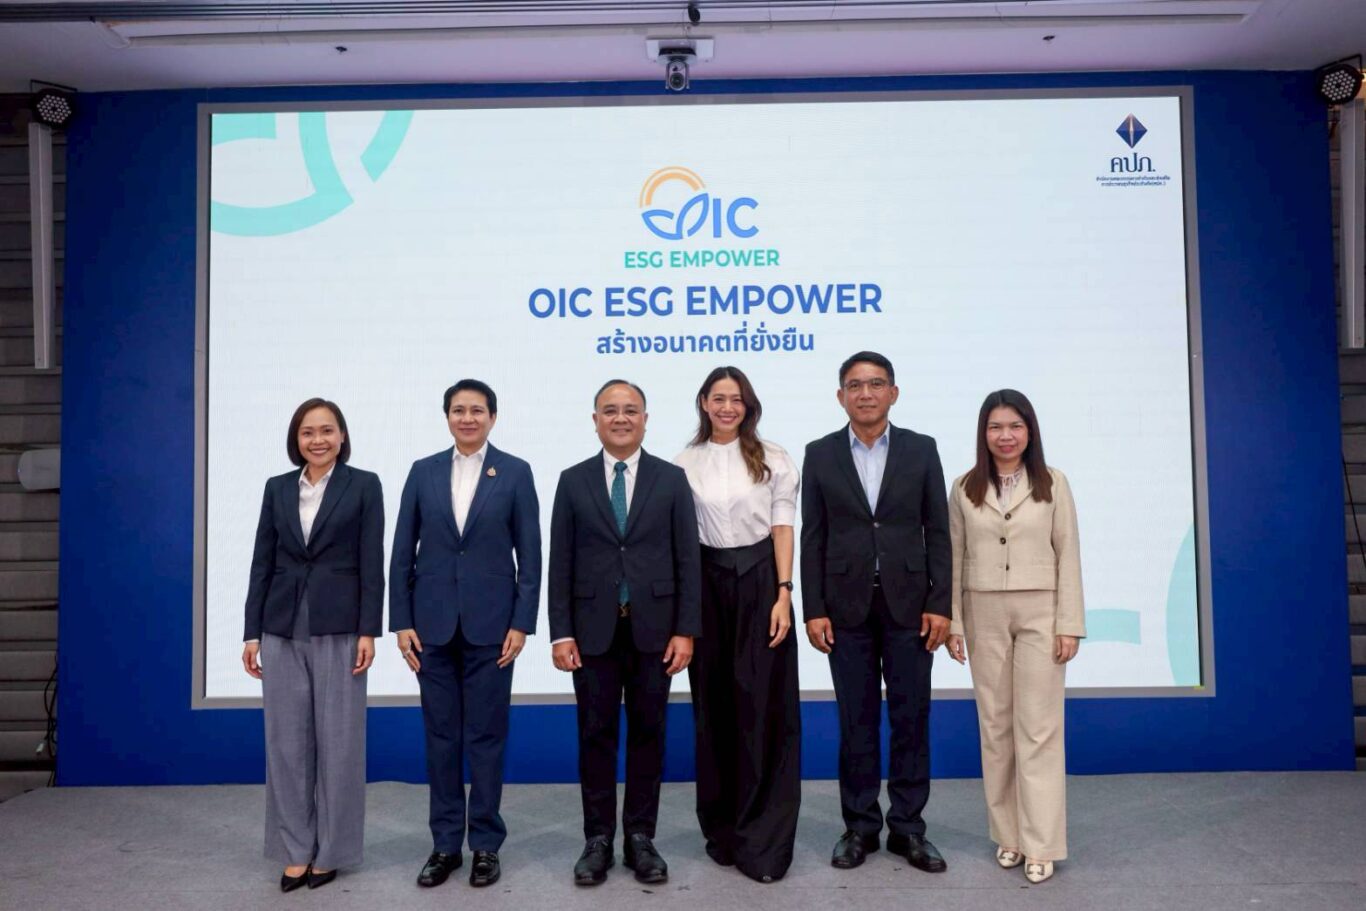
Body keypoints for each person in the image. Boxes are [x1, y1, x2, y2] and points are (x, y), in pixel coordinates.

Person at [800, 351, 951, 873]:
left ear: (893, 392)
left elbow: (939, 530)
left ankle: (908, 828)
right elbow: (813, 535)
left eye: (876, 383)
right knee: (856, 721)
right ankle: (860, 826)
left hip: (911, 607)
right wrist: (814, 608)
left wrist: (940, 603)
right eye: (855, 385)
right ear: (840, 395)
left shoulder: (922, 449)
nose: (865, 393)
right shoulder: (819, 453)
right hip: (845, 609)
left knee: (911, 718)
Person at [548, 379, 702, 887]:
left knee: (648, 734)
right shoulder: (572, 481)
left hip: (655, 632)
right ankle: (597, 839)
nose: (620, 418)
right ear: (595, 419)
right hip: (591, 633)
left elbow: (688, 559)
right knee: (594, 735)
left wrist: (685, 630)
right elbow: (560, 562)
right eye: (610, 410)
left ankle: (640, 837)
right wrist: (560, 633)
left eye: (630, 410)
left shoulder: (671, 479)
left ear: (645, 419)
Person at [389, 380, 541, 890]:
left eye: (478, 410)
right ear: (447, 417)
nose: (468, 418)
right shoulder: (423, 471)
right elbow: (401, 552)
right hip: (430, 628)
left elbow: (531, 556)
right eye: (459, 410)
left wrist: (521, 622)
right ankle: (445, 845)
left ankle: (486, 845)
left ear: (493, 417)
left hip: (493, 628)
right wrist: (401, 621)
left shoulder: (515, 472)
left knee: (486, 738)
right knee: (441, 738)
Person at [242, 397, 385, 892]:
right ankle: (295, 849)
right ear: (296, 439)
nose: (317, 439)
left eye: (327, 430)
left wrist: (369, 630)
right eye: (308, 432)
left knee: (340, 745)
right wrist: (251, 632)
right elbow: (262, 561)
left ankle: (333, 851)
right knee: (286, 745)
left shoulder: (363, 485)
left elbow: (372, 562)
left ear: (342, 436)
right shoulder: (277, 488)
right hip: (281, 625)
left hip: (340, 625)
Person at [946, 389, 1084, 885]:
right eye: (996, 427)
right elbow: (954, 557)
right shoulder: (964, 487)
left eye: (1015, 426)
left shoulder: (1053, 482)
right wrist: (954, 622)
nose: (1005, 436)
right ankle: (1009, 836)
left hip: (1041, 611)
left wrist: (1069, 623)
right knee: (996, 726)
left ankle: (1042, 843)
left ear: (1030, 431)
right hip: (982, 611)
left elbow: (1069, 552)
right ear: (983, 433)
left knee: (1039, 729)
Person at [674, 366, 801, 883]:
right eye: (718, 398)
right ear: (704, 403)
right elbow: (681, 543)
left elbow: (783, 527)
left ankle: (765, 840)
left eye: (737, 399)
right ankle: (722, 831)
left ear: (748, 406)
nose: (727, 407)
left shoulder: (774, 457)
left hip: (762, 583)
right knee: (715, 709)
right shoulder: (683, 463)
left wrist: (784, 592)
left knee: (764, 709)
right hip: (705, 586)